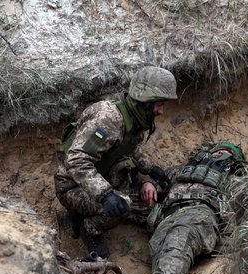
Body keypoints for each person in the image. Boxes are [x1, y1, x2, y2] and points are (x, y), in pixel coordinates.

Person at [116, 141, 248, 274]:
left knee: (179, 239)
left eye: (228, 151)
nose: (220, 152)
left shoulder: (235, 179)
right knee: (162, 247)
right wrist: (148, 184)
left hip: (201, 213)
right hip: (167, 216)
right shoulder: (179, 172)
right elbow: (154, 182)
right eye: (218, 149)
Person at [54, 66, 178, 258]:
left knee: (146, 204)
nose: (161, 111)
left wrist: (151, 169)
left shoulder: (135, 119)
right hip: (71, 186)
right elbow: (77, 159)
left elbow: (129, 149)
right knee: (123, 206)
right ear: (145, 100)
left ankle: (80, 215)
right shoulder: (108, 119)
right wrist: (105, 195)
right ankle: (89, 229)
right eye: (159, 104)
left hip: (99, 178)